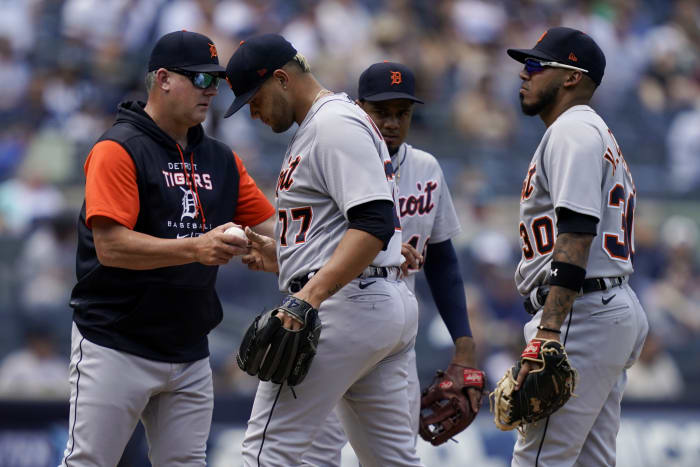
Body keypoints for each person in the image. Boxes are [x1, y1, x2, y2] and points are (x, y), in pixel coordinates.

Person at [61, 30, 275, 466]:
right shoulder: (118, 149)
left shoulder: (221, 159)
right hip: (115, 341)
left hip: (189, 349)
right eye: (200, 79)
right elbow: (111, 247)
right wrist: (196, 248)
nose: (211, 90)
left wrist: (374, 246)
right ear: (162, 79)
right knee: (89, 462)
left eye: (216, 81)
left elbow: (278, 227)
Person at [224, 34, 422, 467]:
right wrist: (280, 253)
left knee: (266, 453)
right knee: (390, 461)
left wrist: (306, 298)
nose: (252, 112)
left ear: (281, 79)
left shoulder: (332, 124)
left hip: (343, 306)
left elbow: (373, 223)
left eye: (253, 99)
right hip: (371, 304)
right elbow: (341, 230)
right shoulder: (323, 124)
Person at [304, 61, 483, 464]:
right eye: (381, 112)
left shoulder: (426, 168)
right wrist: (380, 246)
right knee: (315, 455)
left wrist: (464, 344)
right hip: (335, 321)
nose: (391, 122)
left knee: (396, 457)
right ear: (358, 107)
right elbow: (307, 242)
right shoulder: (335, 159)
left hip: (394, 340)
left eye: (402, 113)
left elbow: (443, 261)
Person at [505, 27, 649, 466]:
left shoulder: (573, 130)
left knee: (537, 460)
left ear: (570, 77)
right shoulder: (593, 133)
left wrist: (549, 331)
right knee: (590, 460)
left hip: (580, 313)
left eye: (534, 65)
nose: (523, 75)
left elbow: (577, 232)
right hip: (604, 306)